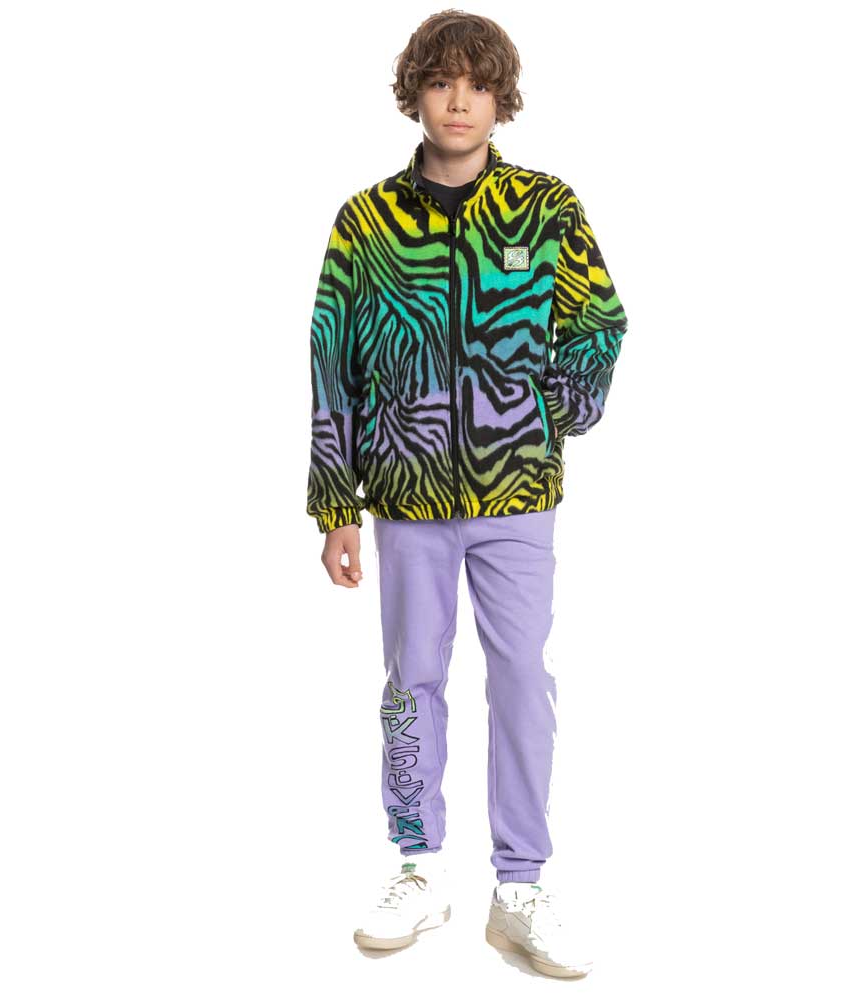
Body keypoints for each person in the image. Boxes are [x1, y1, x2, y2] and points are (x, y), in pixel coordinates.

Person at [306, 11, 627, 979]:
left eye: (477, 85)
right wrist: (335, 504)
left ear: (500, 99)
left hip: (517, 496)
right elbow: (332, 362)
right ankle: (418, 866)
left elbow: (600, 322)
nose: (458, 101)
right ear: (416, 93)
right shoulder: (366, 222)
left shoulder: (544, 207)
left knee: (522, 677)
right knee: (411, 685)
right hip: (405, 499)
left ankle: (520, 886)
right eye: (441, 82)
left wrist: (545, 412)